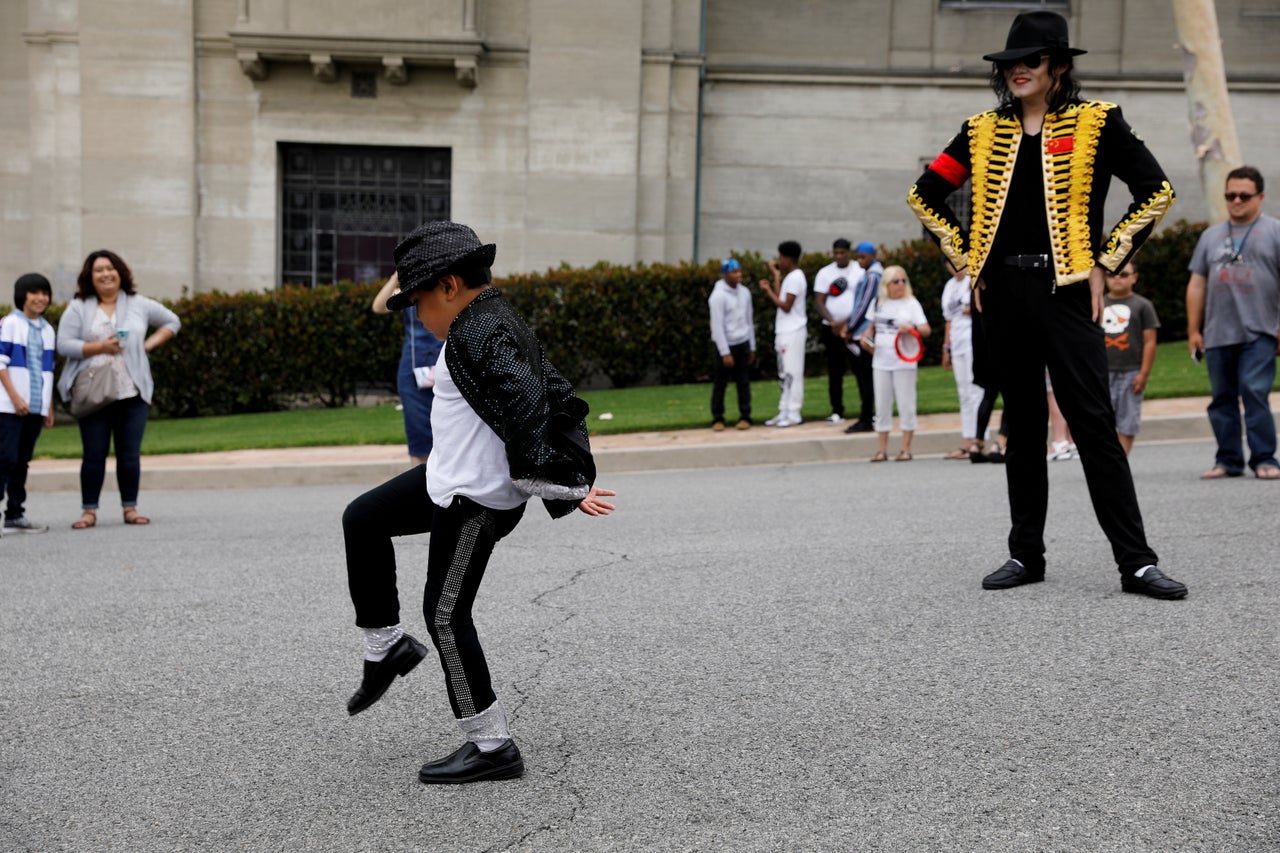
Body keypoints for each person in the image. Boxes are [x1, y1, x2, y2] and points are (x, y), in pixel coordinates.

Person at [907, 10, 1187, 599]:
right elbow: (924, 193)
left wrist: (1106, 261)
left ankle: (1136, 562)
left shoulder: (1098, 122)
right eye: (1009, 64)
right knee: (1024, 427)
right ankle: (1025, 554)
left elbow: (1155, 191)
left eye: (1029, 61)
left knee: (1093, 424)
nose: (1017, 72)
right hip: (1003, 296)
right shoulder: (980, 130)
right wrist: (966, 259)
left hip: (1066, 296)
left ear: (1058, 66)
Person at [340, 221, 616, 785]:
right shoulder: (478, 322)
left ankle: (492, 747)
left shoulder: (480, 330)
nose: (416, 316)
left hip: (477, 498)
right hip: (447, 478)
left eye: (417, 302)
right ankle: (386, 647)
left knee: (445, 613)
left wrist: (563, 485)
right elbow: (548, 387)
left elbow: (531, 400)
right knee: (362, 518)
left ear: (448, 285)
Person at [56, 250, 181, 530]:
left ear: (120, 272)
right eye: (98, 270)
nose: (105, 274)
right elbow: (63, 344)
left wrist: (145, 346)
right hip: (93, 392)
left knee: (129, 454)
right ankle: (89, 511)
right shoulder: (79, 307)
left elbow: (172, 322)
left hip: (131, 392)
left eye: (110, 268)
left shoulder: (138, 303)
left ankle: (130, 508)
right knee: (94, 453)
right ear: (90, 277)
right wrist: (100, 347)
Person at [1186, 165, 1280, 480]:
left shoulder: (1274, 232)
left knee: (1253, 390)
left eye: (1244, 195)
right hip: (1217, 333)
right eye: (1230, 195)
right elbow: (1197, 284)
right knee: (1222, 398)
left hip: (1261, 330)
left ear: (1260, 197)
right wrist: (1193, 330)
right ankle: (1228, 460)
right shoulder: (1210, 237)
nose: (1236, 200)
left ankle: (1265, 459)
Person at [0, 274, 57, 535]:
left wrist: (48, 406)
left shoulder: (48, 330)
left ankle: (15, 514)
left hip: (36, 406)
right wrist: (15, 397)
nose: (40, 298)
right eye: (34, 292)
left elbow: (49, 370)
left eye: (44, 293)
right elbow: (1, 363)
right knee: (5, 458)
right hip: (9, 407)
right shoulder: (10, 324)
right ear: (23, 295)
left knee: (22, 461)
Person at [861, 266, 930, 462]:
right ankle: (882, 448)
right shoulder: (878, 303)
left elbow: (926, 329)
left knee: (906, 403)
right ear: (887, 284)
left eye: (903, 281)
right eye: (896, 281)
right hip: (881, 360)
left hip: (904, 359)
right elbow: (870, 329)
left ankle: (905, 448)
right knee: (882, 404)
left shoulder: (911, 303)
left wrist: (912, 328)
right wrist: (866, 341)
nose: (900, 285)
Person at [373, 271, 443, 464]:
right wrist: (395, 276)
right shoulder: (407, 292)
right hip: (413, 372)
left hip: (444, 368)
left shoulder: (446, 289)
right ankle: (418, 490)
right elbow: (378, 306)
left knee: (448, 434)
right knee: (418, 437)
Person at [1103, 261, 1160, 456]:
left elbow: (1150, 341)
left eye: (1123, 274)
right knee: (1103, 418)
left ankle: (1121, 459)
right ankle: (1108, 459)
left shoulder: (1142, 306)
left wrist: (1143, 373)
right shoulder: (1099, 302)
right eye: (1111, 274)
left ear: (1134, 277)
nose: (1117, 278)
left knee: (1128, 418)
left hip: (1131, 371)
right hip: (1103, 372)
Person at [758, 240, 807, 427]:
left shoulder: (796, 277)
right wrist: (776, 277)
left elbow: (786, 306)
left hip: (793, 330)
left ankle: (794, 413)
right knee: (784, 373)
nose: (779, 260)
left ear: (788, 258)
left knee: (792, 373)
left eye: (780, 257)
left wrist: (768, 290)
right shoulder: (789, 277)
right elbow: (782, 297)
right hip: (784, 330)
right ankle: (784, 410)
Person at [812, 239, 862, 424]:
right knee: (835, 370)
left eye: (842, 253)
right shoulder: (825, 272)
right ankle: (837, 411)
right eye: (836, 253)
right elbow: (819, 300)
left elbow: (864, 298)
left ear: (849, 253)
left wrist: (849, 322)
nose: (839, 256)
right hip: (831, 329)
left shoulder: (859, 269)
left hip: (855, 328)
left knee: (861, 368)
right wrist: (833, 322)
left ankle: (867, 410)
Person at [940, 259, 982, 459]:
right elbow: (949, 319)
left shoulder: (974, 281)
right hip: (957, 341)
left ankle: (977, 438)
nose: (955, 266)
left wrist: (971, 309)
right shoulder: (950, 286)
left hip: (973, 340)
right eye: (951, 262)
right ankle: (966, 439)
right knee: (963, 392)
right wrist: (946, 347)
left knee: (975, 391)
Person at [708, 258, 755, 431]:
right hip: (726, 345)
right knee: (721, 383)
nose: (739, 275)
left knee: (743, 382)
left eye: (740, 271)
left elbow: (749, 320)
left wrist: (752, 346)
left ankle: (745, 416)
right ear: (726, 274)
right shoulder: (718, 296)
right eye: (735, 272)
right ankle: (717, 418)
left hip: (742, 342)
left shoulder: (745, 293)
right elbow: (717, 325)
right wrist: (724, 352)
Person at [841, 241, 882, 434]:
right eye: (857, 257)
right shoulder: (869, 274)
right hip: (862, 330)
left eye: (862, 257)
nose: (859, 261)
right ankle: (867, 415)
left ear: (873, 256)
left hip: (866, 333)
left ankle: (867, 418)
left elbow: (864, 304)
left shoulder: (874, 276)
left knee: (866, 377)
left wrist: (850, 327)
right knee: (865, 377)